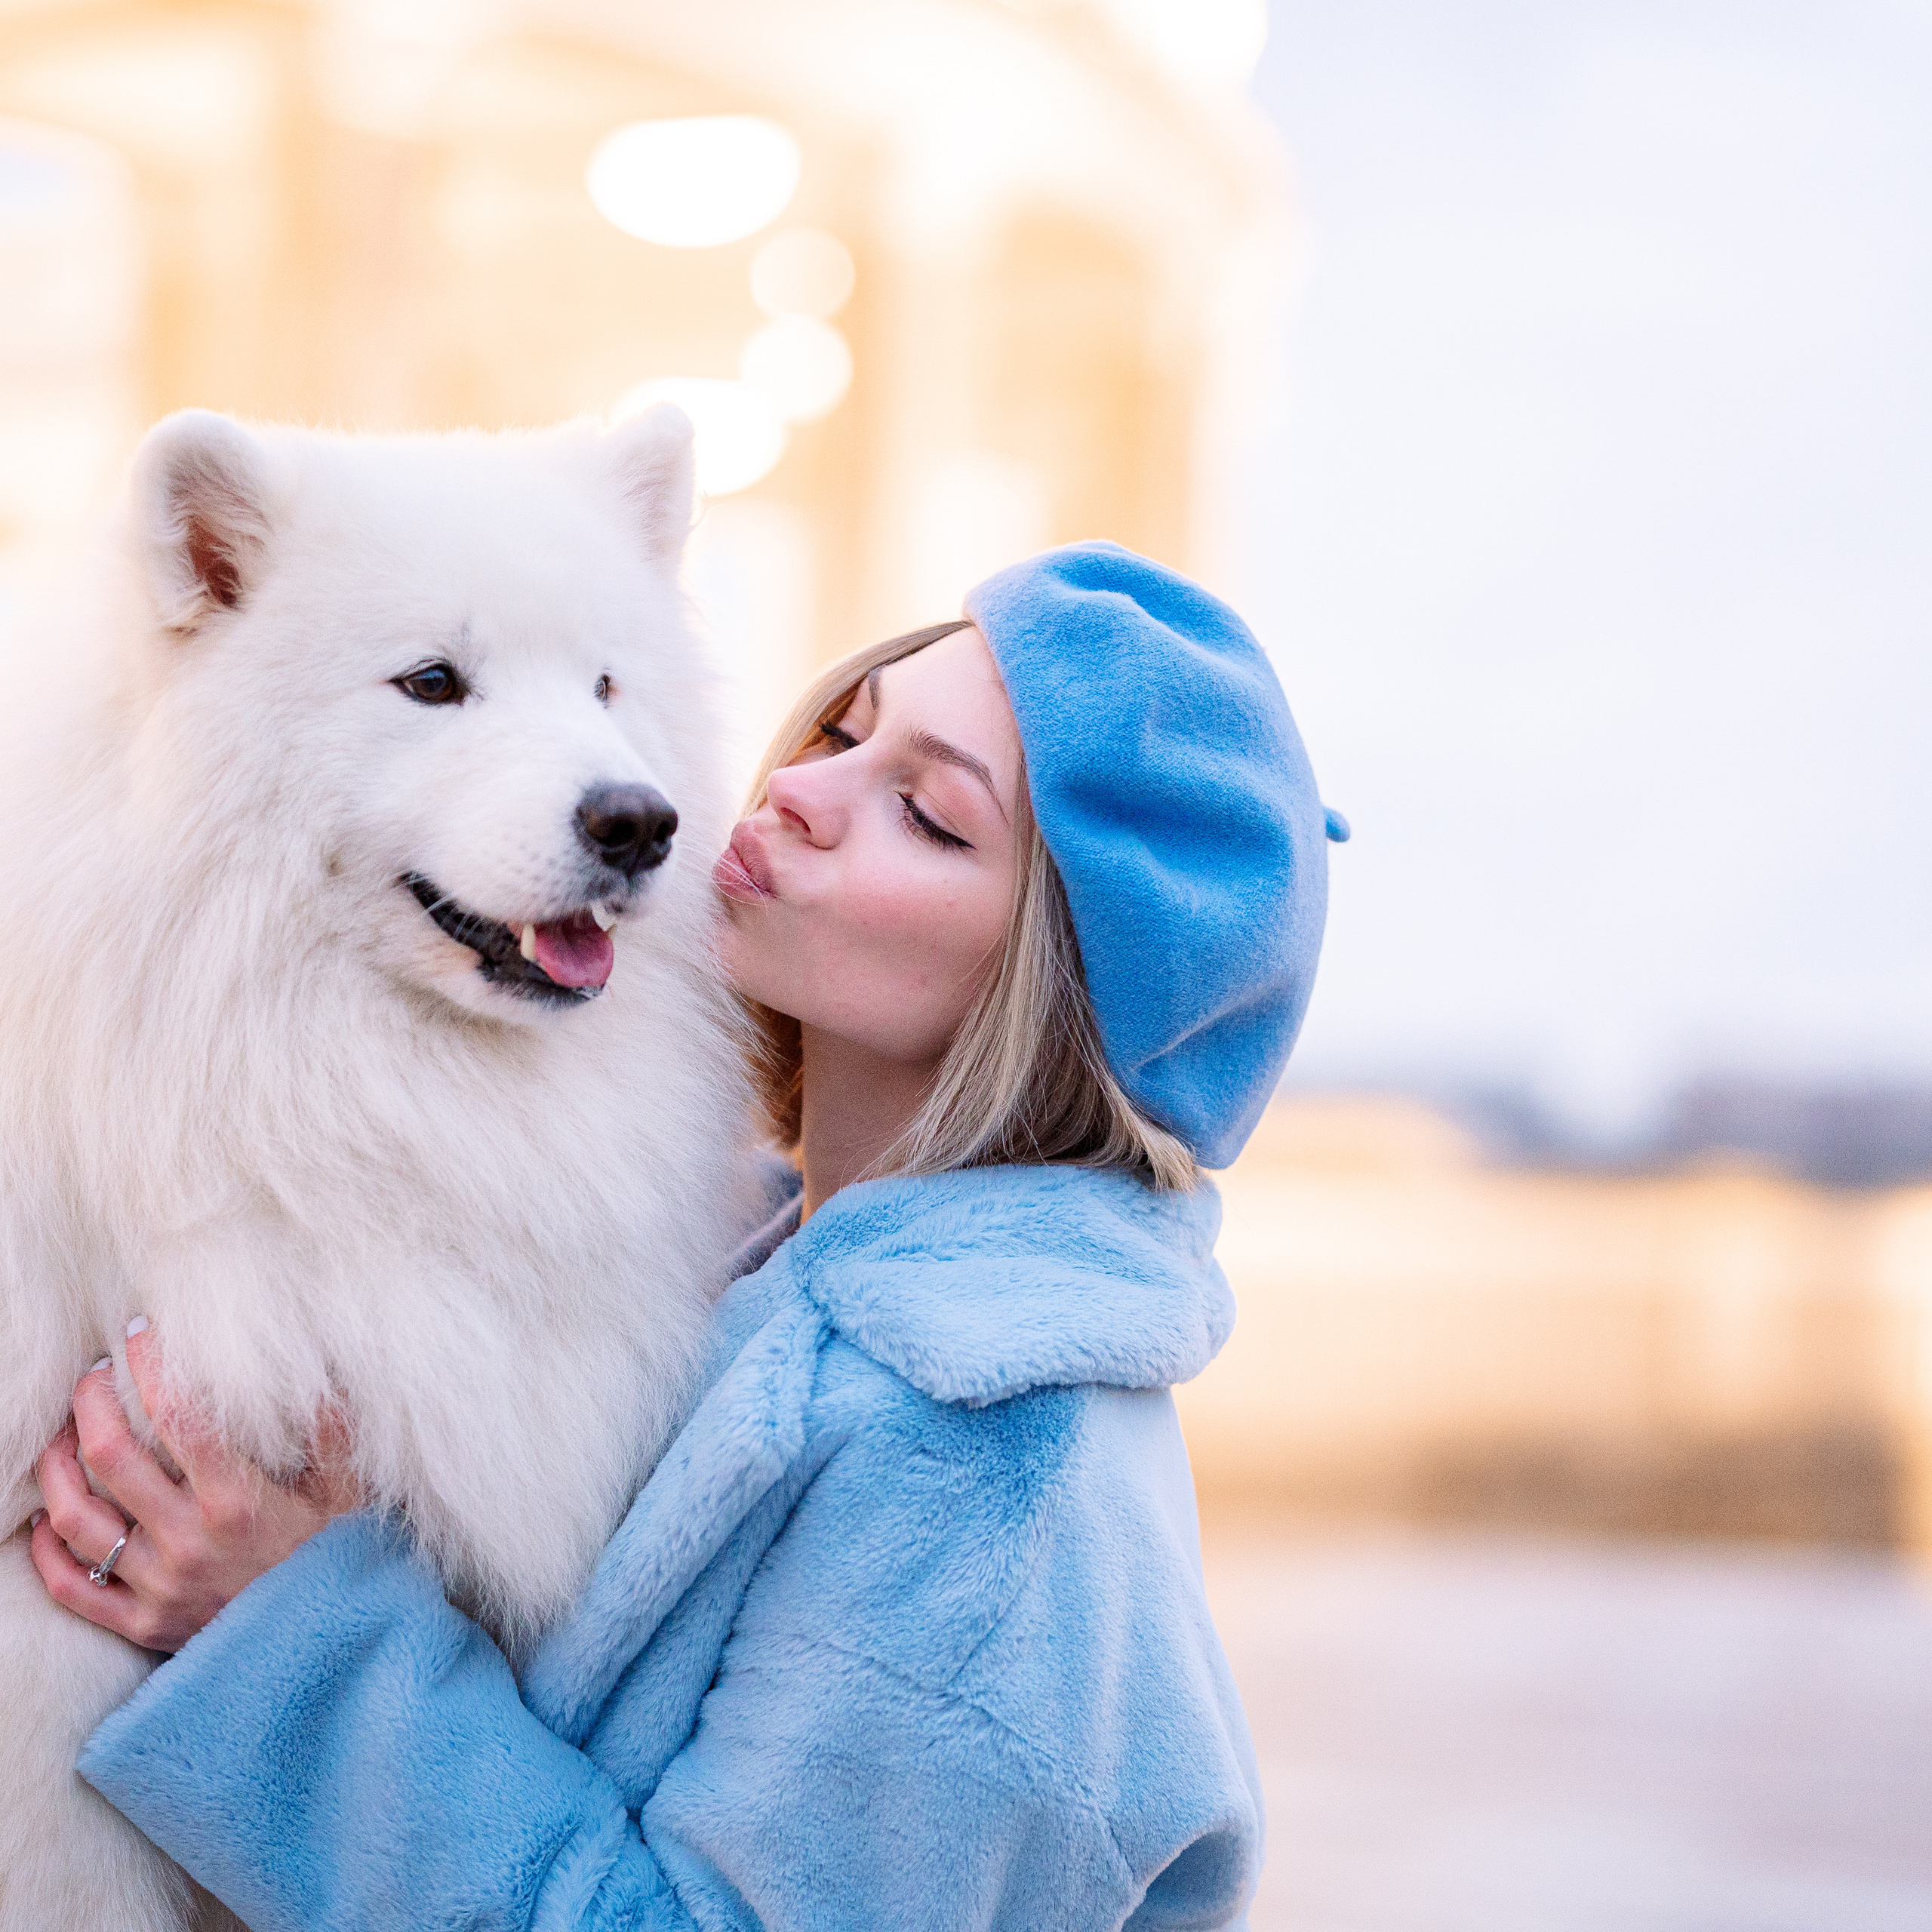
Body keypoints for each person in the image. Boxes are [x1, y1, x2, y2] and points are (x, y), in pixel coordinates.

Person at [29, 541, 1346, 1930]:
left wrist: (298, 1633)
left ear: (1049, 987)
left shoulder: (994, 1468)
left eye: (928, 815)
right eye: (844, 728)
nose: (797, 791)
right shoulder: (748, 1279)